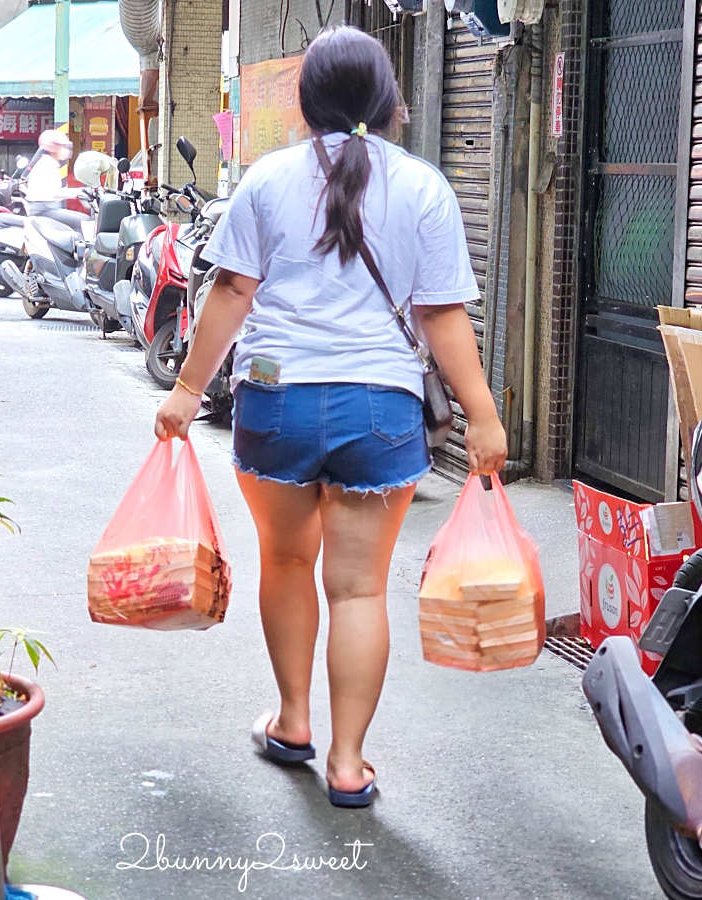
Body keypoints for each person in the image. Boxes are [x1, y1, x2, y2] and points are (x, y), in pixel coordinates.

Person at [154, 26, 507, 808]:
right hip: (378, 408)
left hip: (277, 402)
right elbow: (443, 315)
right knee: (357, 590)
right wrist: (482, 418)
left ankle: (292, 720)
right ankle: (348, 765)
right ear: (387, 101)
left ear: (306, 100)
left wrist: (185, 391)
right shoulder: (423, 187)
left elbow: (229, 295)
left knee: (285, 562)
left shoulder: (267, 180)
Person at [24, 129, 87, 231]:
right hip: (43, 209)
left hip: (48, 208)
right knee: (83, 222)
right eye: (63, 146)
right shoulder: (46, 165)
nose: (65, 150)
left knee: (82, 219)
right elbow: (53, 192)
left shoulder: (50, 163)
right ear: (53, 148)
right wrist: (79, 192)